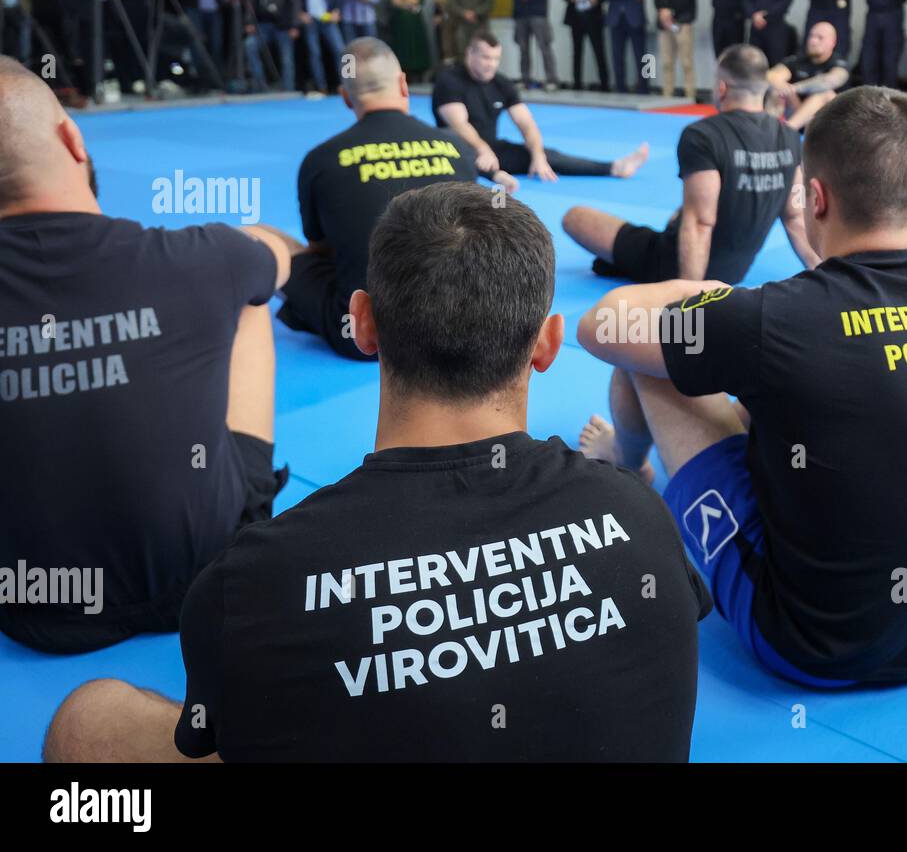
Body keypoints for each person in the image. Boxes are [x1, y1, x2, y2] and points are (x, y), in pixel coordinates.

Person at [44, 181, 712, 763]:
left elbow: (216, 736)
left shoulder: (254, 582)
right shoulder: (644, 517)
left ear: (363, 324)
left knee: (88, 717)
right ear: (547, 343)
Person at [575, 85, 907, 687]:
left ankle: (625, 471)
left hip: (813, 644)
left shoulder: (778, 317)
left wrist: (701, 293)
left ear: (815, 198)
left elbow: (599, 325)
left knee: (657, 364)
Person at [0, 55, 292, 653]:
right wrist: (266, 241)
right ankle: (250, 501)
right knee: (249, 294)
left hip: (32, 610)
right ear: (72, 139)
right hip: (208, 572)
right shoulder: (200, 256)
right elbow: (276, 259)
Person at [278, 37, 509, 361]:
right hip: (458, 326)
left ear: (345, 97)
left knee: (263, 238)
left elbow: (320, 249)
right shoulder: (457, 148)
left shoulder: (322, 159)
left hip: (367, 338)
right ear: (403, 84)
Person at [563, 43, 813, 286]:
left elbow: (700, 223)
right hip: (735, 272)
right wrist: (828, 275)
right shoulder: (789, 137)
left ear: (722, 88)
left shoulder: (703, 135)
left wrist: (690, 302)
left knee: (574, 217)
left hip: (680, 266)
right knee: (681, 211)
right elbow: (795, 218)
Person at [434, 30, 648, 181]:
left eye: (496, 59)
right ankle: (496, 176)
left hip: (492, 149)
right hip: (455, 152)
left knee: (547, 155)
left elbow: (526, 123)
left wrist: (537, 156)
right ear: (470, 54)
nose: (491, 64)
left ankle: (615, 168)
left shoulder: (501, 83)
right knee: (469, 161)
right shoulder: (449, 81)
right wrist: (483, 149)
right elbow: (459, 125)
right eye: (486, 58)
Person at [765, 20, 850, 131]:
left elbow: (829, 81)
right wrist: (783, 87)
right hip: (799, 114)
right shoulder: (797, 61)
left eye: (820, 38)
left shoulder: (839, 64)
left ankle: (787, 131)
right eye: (811, 36)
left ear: (832, 42)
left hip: (827, 124)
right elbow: (771, 76)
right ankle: (768, 130)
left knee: (824, 93)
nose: (813, 41)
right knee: (776, 89)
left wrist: (794, 88)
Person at [653, 0, 701, 101]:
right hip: (664, 24)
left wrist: (672, 13)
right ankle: (667, 95)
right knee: (666, 62)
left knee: (686, 62)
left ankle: (690, 95)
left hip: (682, 22)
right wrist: (661, 11)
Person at [388, 0, 431, 79]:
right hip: (400, 22)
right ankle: (406, 73)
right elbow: (393, 1)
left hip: (414, 21)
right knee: (403, 47)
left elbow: (418, 0)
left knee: (416, 46)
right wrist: (407, 0)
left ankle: (419, 72)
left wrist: (403, 0)